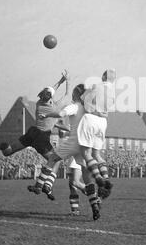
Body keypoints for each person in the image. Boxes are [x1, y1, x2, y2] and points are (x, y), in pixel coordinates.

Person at [0, 71, 68, 200]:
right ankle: (44, 185)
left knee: (8, 152)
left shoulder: (39, 104)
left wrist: (60, 81)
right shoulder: (54, 110)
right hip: (42, 137)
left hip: (32, 132)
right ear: (51, 98)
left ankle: (4, 145)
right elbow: (66, 95)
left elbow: (52, 90)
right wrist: (67, 82)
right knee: (55, 160)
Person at [30, 83, 101, 220]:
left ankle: (40, 185)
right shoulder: (89, 109)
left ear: (75, 95)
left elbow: (60, 113)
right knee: (87, 177)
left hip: (73, 142)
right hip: (85, 144)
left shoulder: (75, 106)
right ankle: (94, 205)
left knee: (52, 159)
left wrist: (47, 115)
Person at [77, 69, 116, 199]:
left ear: (104, 76)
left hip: (91, 119)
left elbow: (83, 100)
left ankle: (98, 177)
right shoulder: (113, 92)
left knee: (86, 154)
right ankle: (106, 178)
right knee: (97, 154)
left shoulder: (96, 86)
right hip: (103, 122)